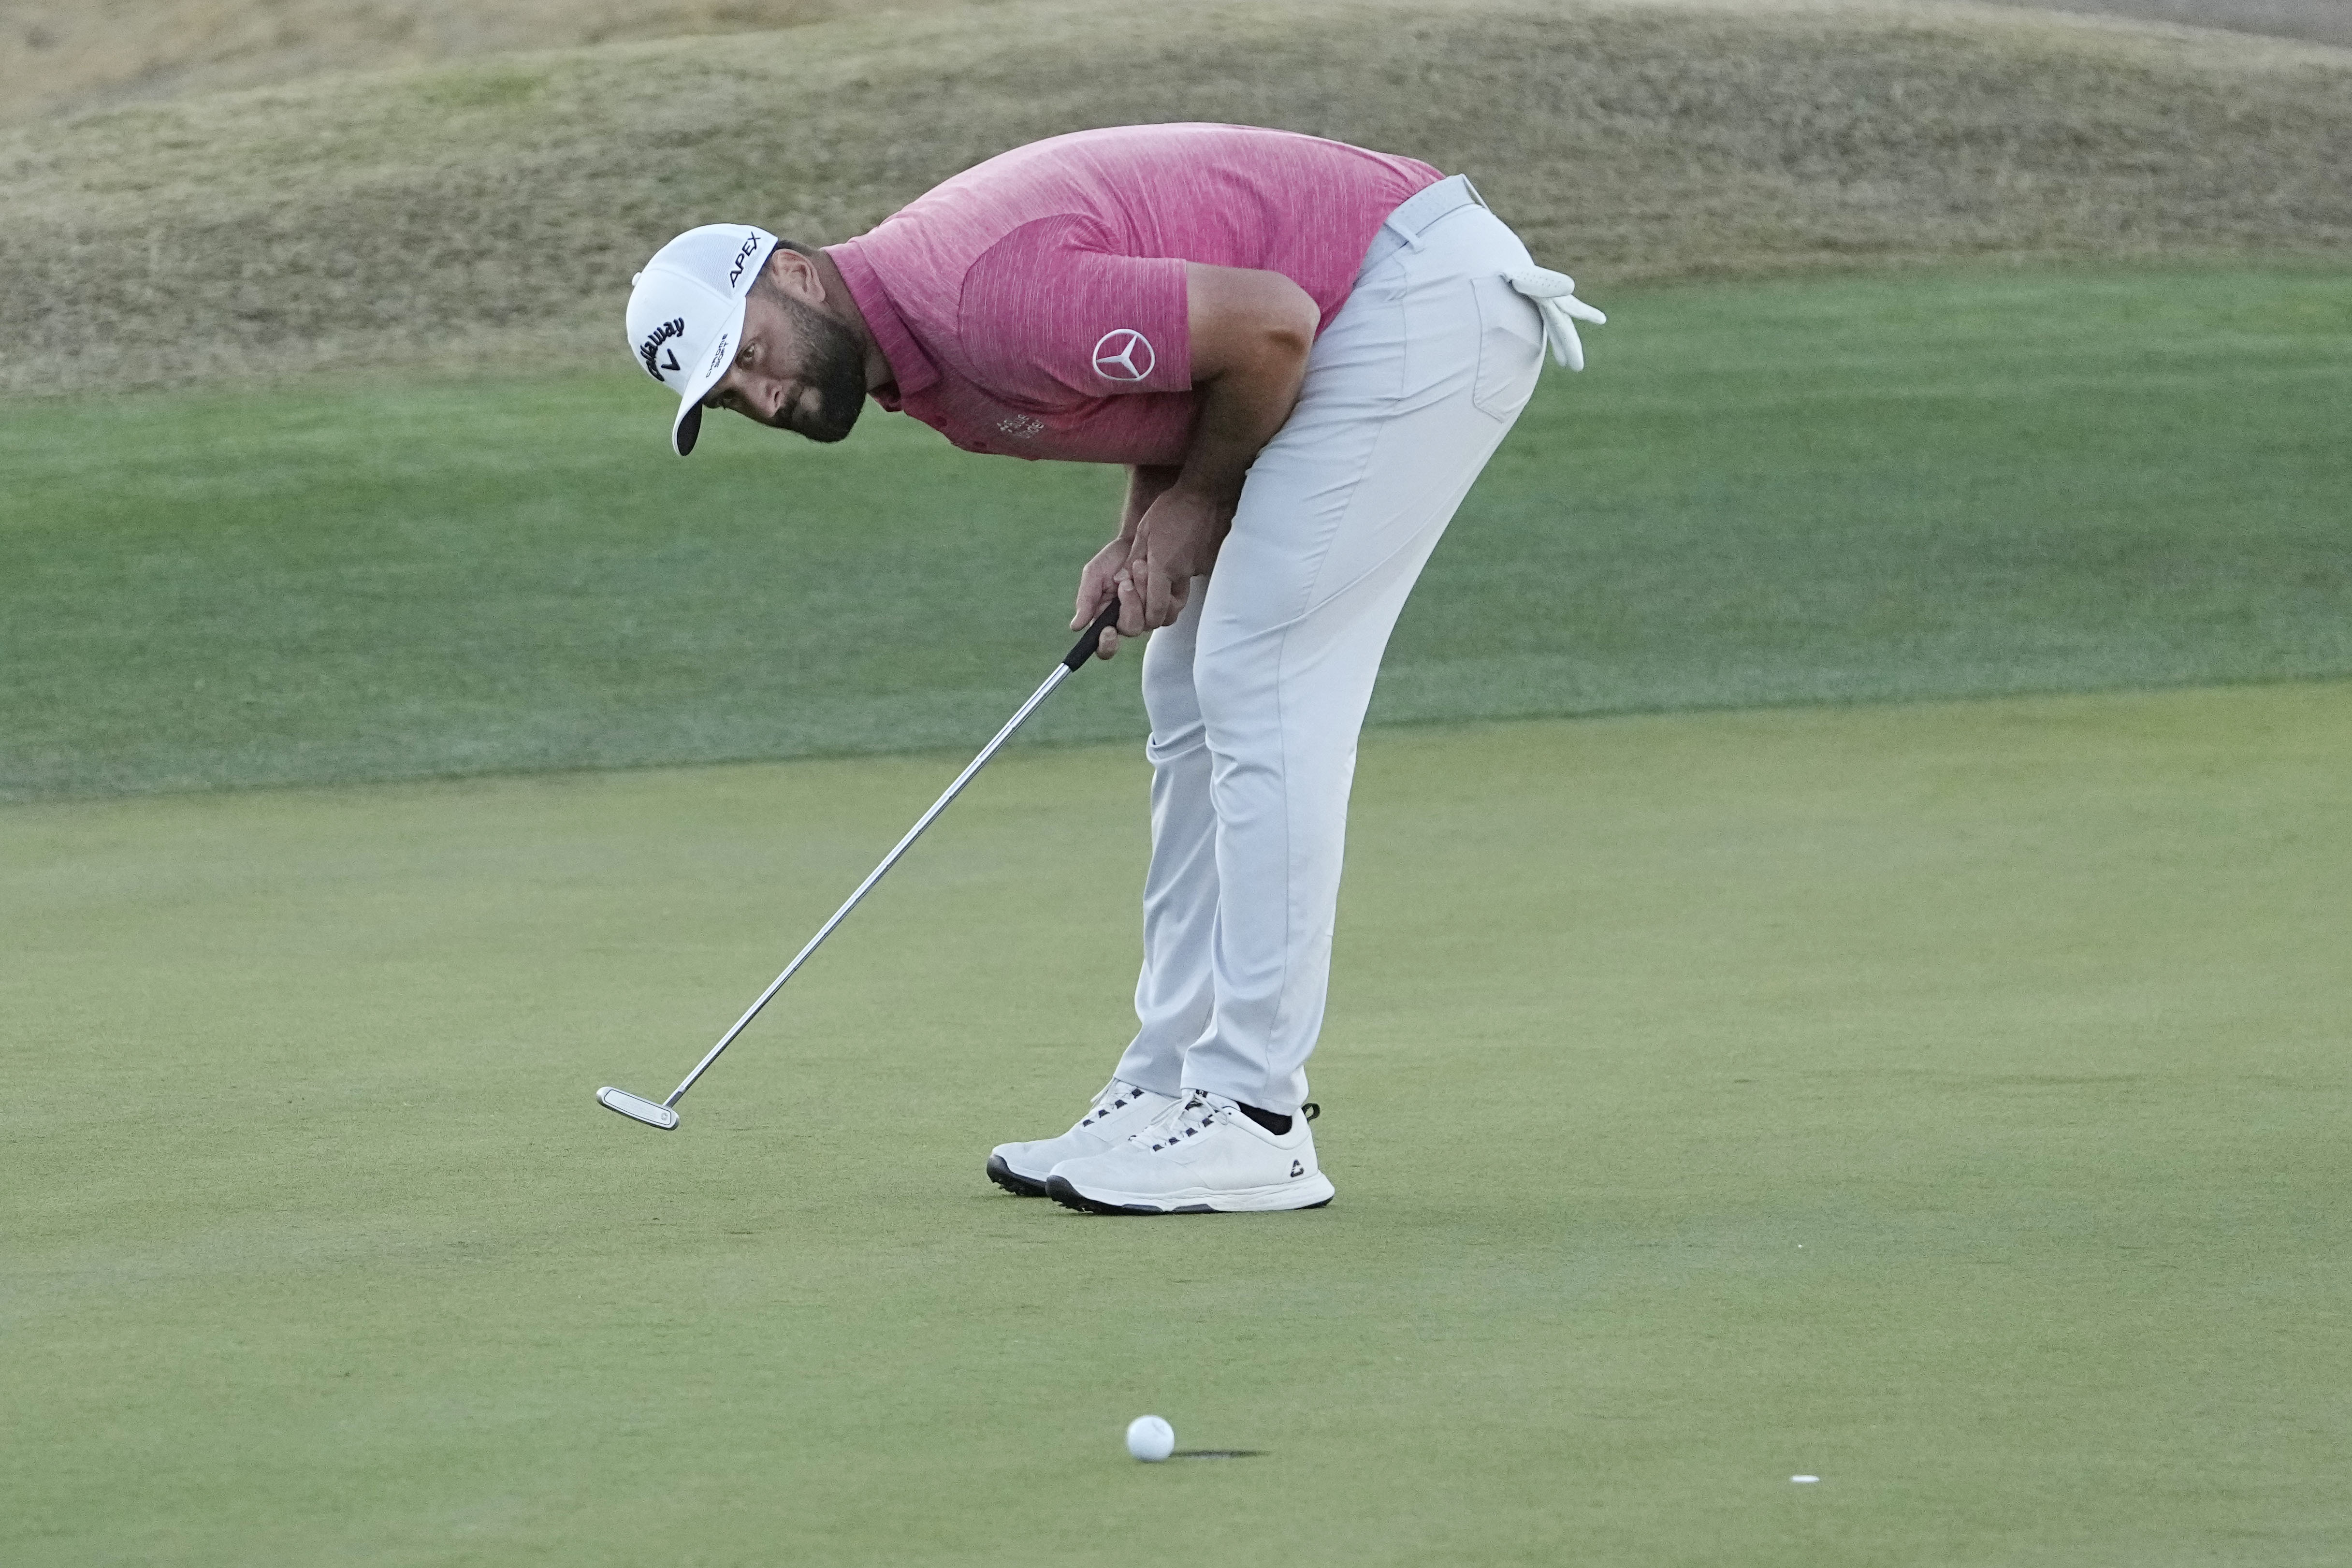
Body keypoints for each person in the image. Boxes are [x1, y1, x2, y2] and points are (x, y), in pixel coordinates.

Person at [623, 123, 1600, 1214]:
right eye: (729, 398)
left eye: (751, 354)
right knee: (1181, 684)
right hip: (1356, 310)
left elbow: (1270, 330)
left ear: (794, 275)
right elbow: (1178, 367)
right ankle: (1170, 1080)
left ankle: (1257, 1116)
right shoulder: (925, 346)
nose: (767, 398)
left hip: (1414, 301)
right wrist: (1142, 527)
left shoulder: (977, 299)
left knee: (1258, 674)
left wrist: (1197, 502)